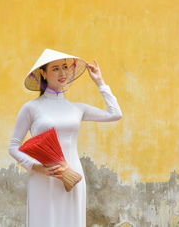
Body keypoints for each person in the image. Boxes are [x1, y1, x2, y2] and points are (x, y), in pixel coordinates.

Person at [8, 48, 122, 227]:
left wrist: (100, 83)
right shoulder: (31, 108)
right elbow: (13, 146)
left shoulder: (77, 108)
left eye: (65, 67)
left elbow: (115, 114)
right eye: (55, 69)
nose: (62, 73)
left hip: (73, 176)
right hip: (43, 178)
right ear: (43, 73)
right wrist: (36, 167)